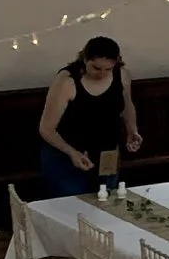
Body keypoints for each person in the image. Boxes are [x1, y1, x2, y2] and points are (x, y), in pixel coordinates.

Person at [36, 36, 141, 196]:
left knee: (106, 204)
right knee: (69, 210)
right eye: (96, 68)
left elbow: (126, 106)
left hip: (107, 152)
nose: (102, 74)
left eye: (108, 69)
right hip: (66, 156)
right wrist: (72, 153)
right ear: (85, 59)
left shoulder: (122, 75)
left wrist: (132, 130)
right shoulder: (67, 82)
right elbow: (46, 129)